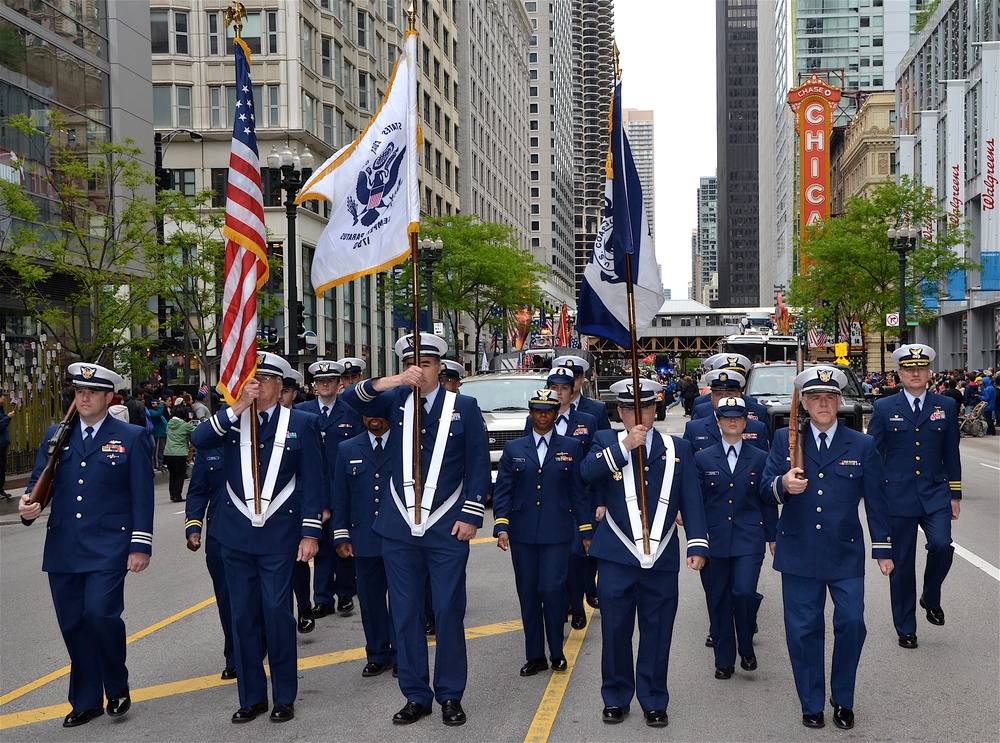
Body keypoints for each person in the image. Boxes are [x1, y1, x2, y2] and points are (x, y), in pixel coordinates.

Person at [340, 333, 491, 727]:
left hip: (447, 525)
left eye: (426, 363)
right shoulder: (394, 401)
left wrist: (472, 515)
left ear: (440, 367)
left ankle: (450, 695)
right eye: (413, 363)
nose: (419, 370)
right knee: (404, 614)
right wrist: (393, 380)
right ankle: (416, 695)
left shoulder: (465, 407)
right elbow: (349, 399)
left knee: (446, 611)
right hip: (399, 527)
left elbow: (477, 465)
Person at [190, 352, 324, 724]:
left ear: (281, 387)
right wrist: (237, 407)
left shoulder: (302, 422)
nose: (258, 385)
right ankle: (252, 697)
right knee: (243, 617)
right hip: (235, 536)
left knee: (277, 615)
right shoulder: (232, 422)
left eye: (265, 379)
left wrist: (310, 532)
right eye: (253, 378)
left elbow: (313, 481)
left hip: (281, 535)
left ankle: (283, 695)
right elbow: (199, 440)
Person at [18, 362, 154, 728]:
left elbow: (142, 496)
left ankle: (117, 686)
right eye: (79, 391)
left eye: (92, 392)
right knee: (74, 624)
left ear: (110, 397)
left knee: (101, 615)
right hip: (64, 546)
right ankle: (86, 698)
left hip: (109, 545)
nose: (84, 397)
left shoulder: (131, 436)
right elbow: (38, 484)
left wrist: (140, 544)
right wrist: (28, 506)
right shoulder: (55, 434)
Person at [762, 365, 893, 730]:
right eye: (816, 397)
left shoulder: (862, 445)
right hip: (799, 551)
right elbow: (762, 488)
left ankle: (843, 698)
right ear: (803, 402)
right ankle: (811, 702)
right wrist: (783, 484)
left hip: (844, 551)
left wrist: (882, 549)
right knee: (803, 630)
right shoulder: (786, 441)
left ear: (840, 401)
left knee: (852, 624)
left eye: (830, 397)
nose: (823, 404)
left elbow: (877, 501)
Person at [580, 378, 709, 728]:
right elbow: (587, 474)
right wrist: (624, 447)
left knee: (658, 630)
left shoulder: (678, 446)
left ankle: (653, 698)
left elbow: (691, 498)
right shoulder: (606, 441)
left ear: (656, 409)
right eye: (630, 409)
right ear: (620, 412)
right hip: (617, 555)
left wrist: (697, 542)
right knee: (616, 630)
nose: (640, 414)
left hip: (662, 553)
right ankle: (616, 696)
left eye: (647, 407)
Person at [867, 344, 962, 650]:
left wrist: (955, 492)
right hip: (898, 494)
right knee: (902, 564)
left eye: (921, 368)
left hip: (935, 491)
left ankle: (930, 595)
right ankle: (906, 626)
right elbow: (873, 452)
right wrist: (874, 490)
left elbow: (951, 450)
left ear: (930, 373)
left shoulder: (945, 406)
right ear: (900, 374)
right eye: (909, 369)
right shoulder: (884, 408)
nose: (916, 373)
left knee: (941, 544)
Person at [494, 389, 593, 676]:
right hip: (523, 534)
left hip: (558, 533)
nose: (542, 415)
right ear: (531, 413)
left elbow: (578, 491)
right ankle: (535, 655)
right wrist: (502, 525)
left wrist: (585, 530)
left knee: (551, 591)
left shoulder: (571, 446)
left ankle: (557, 652)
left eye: (548, 410)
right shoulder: (514, 449)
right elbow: (503, 491)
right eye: (537, 410)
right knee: (528, 594)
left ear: (555, 413)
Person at [695, 397, 776, 679]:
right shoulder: (703, 458)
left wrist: (772, 536)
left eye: (738, 417)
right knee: (718, 599)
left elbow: (767, 499)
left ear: (745, 422)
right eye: (726, 417)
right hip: (714, 540)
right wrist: (696, 538)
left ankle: (746, 645)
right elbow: (697, 502)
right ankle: (724, 659)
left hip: (748, 538)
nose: (732, 421)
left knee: (743, 592)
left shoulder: (760, 458)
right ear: (718, 423)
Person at [523, 366, 598, 629]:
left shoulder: (586, 420)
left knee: (576, 556)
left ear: (572, 391)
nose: (559, 393)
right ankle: (563, 605)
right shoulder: (535, 418)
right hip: (550, 501)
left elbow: (594, 460)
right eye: (554, 388)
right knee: (555, 559)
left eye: (564, 388)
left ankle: (576, 604)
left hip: (578, 499)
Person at [332, 415, 399, 677]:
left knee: (402, 600)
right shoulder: (348, 449)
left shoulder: (405, 444)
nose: (374, 419)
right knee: (370, 601)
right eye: (369, 414)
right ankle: (377, 653)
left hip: (398, 537)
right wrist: (341, 535)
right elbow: (341, 496)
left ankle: (401, 654)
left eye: (381, 413)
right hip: (364, 538)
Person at [295, 360, 363, 618]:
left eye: (331, 381)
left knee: (343, 541)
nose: (325, 384)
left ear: (339, 384)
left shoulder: (351, 412)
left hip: (344, 487)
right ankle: (322, 598)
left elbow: (358, 450)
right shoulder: (301, 412)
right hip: (313, 488)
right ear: (314, 385)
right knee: (320, 545)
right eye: (321, 381)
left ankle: (345, 593)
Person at [185, 442, 238, 680]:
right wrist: (193, 526)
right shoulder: (209, 445)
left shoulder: (259, 436)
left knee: (260, 599)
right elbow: (198, 490)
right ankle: (235, 656)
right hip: (218, 533)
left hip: (257, 533)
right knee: (227, 599)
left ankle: (262, 638)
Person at [551, 355, 612, 430]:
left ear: (582, 379)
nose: (571, 383)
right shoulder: (545, 410)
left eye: (574, 378)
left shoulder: (597, 410)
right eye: (565, 380)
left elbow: (605, 439)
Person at [164, 404, 196, 502]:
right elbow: (196, 431)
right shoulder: (185, 425)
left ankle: (172, 494)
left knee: (172, 474)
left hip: (168, 452)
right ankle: (178, 495)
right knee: (180, 475)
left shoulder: (169, 423)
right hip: (180, 452)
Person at [0, 388, 18, 499]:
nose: (5, 398)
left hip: (3, 443)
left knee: (2, 467)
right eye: (3, 396)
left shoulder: (1, 409)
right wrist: (7, 418)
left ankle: (1, 490)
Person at [148, 396, 169, 470]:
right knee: (157, 450)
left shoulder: (159, 414)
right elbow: (157, 415)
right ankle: (157, 464)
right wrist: (162, 405)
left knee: (161, 450)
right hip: (157, 434)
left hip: (162, 433)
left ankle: (160, 462)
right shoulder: (151, 412)